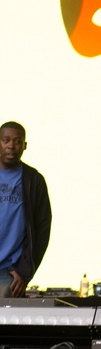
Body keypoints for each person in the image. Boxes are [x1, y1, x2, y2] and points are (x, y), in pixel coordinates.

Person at [0, 121, 52, 298]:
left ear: (25, 145)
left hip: (10, 272)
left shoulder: (34, 181)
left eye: (17, 141)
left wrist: (25, 271)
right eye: (6, 140)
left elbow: (42, 229)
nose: (11, 146)